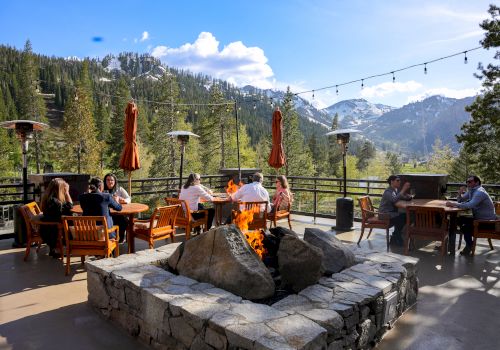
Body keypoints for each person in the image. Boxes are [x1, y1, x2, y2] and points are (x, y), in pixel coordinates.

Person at [446, 175, 496, 256]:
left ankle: (469, 245)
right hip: (478, 219)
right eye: (467, 182)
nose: (467, 183)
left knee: (465, 226)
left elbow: (470, 205)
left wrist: (453, 204)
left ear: (477, 182)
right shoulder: (471, 190)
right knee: (457, 220)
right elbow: (461, 200)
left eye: (470, 181)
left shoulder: (480, 192)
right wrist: (459, 194)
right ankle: (449, 245)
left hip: (487, 223)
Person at [40, 178, 73, 258]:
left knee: (71, 220)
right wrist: (67, 192)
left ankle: (57, 248)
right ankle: (71, 245)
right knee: (73, 222)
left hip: (47, 228)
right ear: (60, 188)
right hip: (52, 230)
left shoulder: (48, 198)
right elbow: (70, 206)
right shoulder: (55, 202)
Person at [379, 175, 411, 246]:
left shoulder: (395, 190)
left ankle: (395, 236)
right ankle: (397, 237)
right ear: (392, 182)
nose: (399, 182)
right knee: (402, 218)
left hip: (391, 213)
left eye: (400, 180)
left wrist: (408, 196)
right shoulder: (388, 192)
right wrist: (403, 189)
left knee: (405, 216)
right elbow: (394, 200)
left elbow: (400, 197)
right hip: (384, 214)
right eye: (397, 180)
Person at [103, 173, 130, 242]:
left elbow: (128, 198)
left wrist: (124, 200)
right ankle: (111, 238)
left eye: (112, 180)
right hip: (107, 214)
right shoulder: (102, 190)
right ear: (105, 181)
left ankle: (120, 238)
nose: (110, 182)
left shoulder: (119, 189)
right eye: (108, 180)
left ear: (115, 181)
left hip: (118, 213)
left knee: (124, 221)